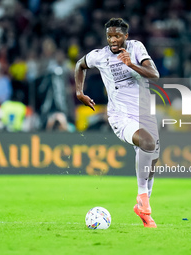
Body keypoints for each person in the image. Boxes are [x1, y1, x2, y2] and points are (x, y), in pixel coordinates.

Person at [75, 18, 160, 228]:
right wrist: (79, 92)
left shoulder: (136, 48)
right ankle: (143, 200)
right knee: (148, 143)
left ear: (126, 36)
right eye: (109, 36)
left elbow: (154, 75)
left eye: (117, 36)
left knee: (153, 159)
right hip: (120, 116)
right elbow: (80, 65)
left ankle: (143, 207)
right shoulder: (100, 56)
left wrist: (131, 64)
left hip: (143, 113)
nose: (113, 40)